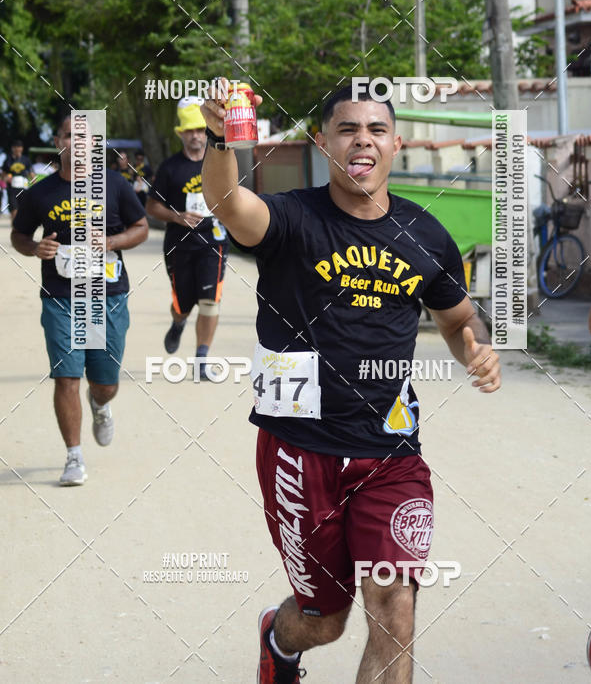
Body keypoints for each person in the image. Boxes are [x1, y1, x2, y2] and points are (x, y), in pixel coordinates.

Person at [200, 81, 501, 684]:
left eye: (376, 129)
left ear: (394, 144)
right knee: (326, 619)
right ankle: (280, 640)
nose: (363, 140)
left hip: (392, 452)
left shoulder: (427, 236)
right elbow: (231, 205)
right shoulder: (293, 218)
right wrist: (219, 139)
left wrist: (478, 348)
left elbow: (457, 316)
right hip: (300, 450)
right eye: (347, 129)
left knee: (395, 607)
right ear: (323, 142)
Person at [11, 115, 148, 486]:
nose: (77, 143)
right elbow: (19, 236)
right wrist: (36, 247)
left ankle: (100, 404)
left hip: (108, 294)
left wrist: (111, 242)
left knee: (104, 381)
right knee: (66, 377)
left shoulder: (115, 185)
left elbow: (141, 228)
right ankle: (74, 457)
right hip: (61, 296)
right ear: (59, 140)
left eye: (85, 137)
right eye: (70, 135)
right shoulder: (40, 192)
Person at [146, 98, 229, 377]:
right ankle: (178, 322)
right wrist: (177, 216)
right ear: (180, 133)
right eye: (189, 131)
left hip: (213, 242)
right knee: (183, 304)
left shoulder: (220, 161)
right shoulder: (170, 168)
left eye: (199, 129)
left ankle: (201, 359)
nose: (195, 135)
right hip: (179, 245)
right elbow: (152, 207)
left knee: (210, 301)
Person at [3, 140, 33, 220]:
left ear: (22, 149)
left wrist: (35, 183)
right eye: (15, 148)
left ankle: (20, 227)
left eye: (19, 148)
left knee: (23, 209)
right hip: (12, 188)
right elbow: (3, 174)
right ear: (12, 149)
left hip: (23, 187)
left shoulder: (26, 160)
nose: (17, 150)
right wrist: (6, 178)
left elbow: (31, 173)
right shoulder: (8, 160)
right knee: (14, 209)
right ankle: (15, 228)